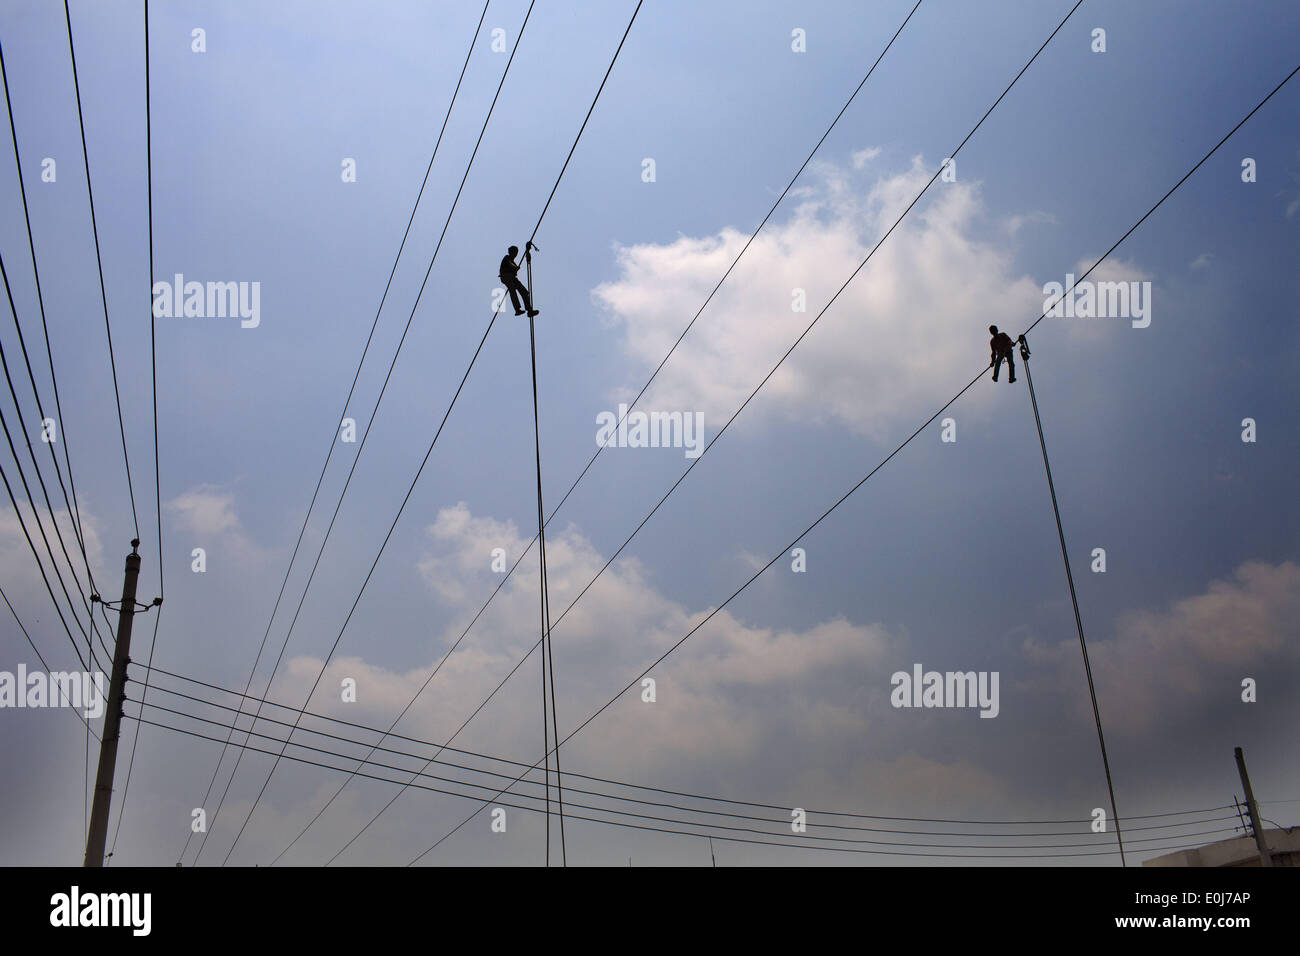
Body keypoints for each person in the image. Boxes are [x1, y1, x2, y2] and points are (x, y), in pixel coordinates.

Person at [499, 245, 539, 317]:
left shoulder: (513, 262)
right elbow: (509, 264)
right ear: (511, 252)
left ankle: (529, 310)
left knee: (524, 291)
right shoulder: (507, 257)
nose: (516, 254)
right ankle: (517, 309)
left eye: (516, 252)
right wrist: (515, 268)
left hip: (512, 278)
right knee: (512, 290)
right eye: (515, 252)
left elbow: (513, 266)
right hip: (506, 277)